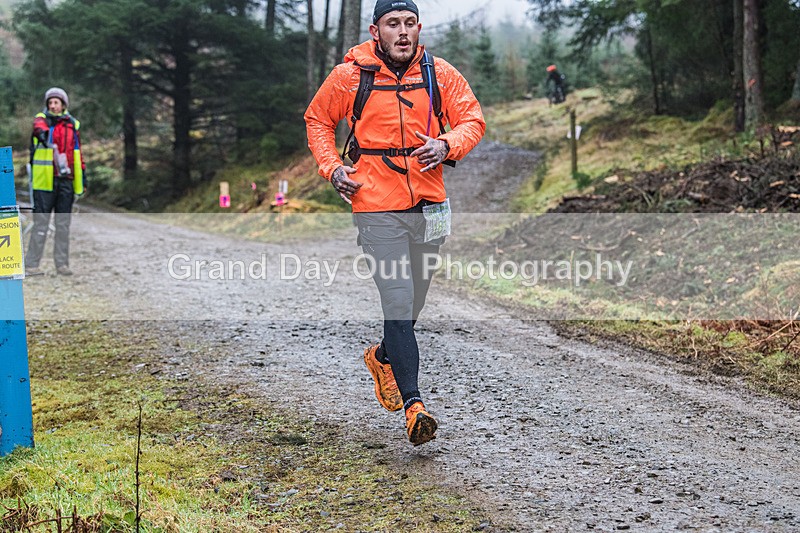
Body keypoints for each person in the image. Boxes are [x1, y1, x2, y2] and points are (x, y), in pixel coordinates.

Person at [305, 0, 485, 445]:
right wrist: (333, 168)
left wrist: (446, 145)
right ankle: (414, 407)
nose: (402, 32)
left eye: (409, 24)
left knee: (414, 302)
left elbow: (472, 120)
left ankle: (385, 355)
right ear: (375, 31)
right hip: (374, 203)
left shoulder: (439, 73)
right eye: (393, 25)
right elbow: (317, 119)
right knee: (399, 299)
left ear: (418, 28)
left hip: (429, 204)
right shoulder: (352, 76)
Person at [26, 87, 86, 276]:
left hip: (66, 180)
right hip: (44, 182)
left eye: (56, 102)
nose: (53, 106)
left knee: (63, 225)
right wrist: (44, 136)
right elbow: (39, 130)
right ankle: (32, 265)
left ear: (63, 105)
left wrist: (82, 178)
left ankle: (62, 265)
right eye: (50, 102)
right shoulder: (41, 121)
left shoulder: (73, 125)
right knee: (40, 224)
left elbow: (78, 154)